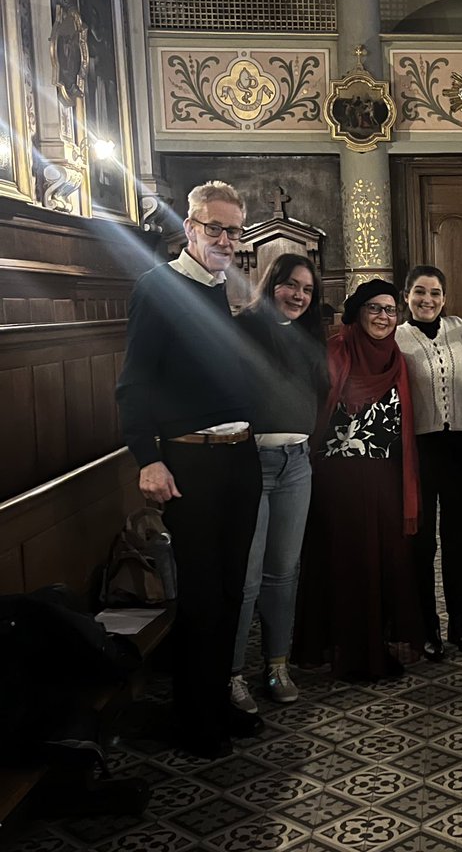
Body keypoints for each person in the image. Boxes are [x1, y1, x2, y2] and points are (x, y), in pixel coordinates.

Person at [116, 180, 261, 760]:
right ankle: (194, 715)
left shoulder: (233, 292)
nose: (225, 239)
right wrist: (147, 457)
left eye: (234, 230)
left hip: (240, 457)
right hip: (189, 460)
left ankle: (218, 702)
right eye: (215, 228)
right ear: (190, 228)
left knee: (231, 589)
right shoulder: (158, 288)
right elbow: (134, 383)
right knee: (201, 594)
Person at [292, 279, 422, 680]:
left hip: (384, 476)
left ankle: (377, 642)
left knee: (384, 559)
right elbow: (314, 407)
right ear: (358, 312)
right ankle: (344, 647)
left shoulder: (397, 357)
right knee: (345, 559)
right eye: (375, 309)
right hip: (338, 480)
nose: (384, 317)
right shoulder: (335, 350)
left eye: (390, 310)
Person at [229, 254, 328, 715]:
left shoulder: (312, 336)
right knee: (247, 577)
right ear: (272, 284)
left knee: (284, 573)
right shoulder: (244, 327)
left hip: (297, 463)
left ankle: (276, 666)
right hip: (253, 462)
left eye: (307, 290)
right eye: (291, 286)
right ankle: (231, 675)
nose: (298, 296)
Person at [396, 264, 462, 659]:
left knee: (457, 541)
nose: (426, 300)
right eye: (419, 292)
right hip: (422, 450)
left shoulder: (460, 329)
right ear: (407, 296)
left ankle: (458, 623)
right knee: (423, 544)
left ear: (444, 298)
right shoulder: (397, 337)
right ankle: (426, 626)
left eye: (434, 293)